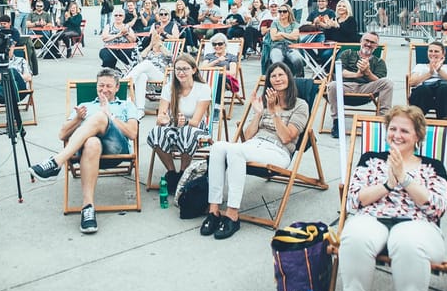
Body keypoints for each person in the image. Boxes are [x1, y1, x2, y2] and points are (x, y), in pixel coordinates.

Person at [337, 105, 447, 291]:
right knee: (354, 237)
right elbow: (353, 200)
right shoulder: (370, 159)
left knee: (406, 241)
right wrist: (388, 184)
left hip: (417, 225)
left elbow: (437, 207)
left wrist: (405, 179)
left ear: (418, 136)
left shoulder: (433, 166)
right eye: (393, 129)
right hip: (372, 219)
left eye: (405, 131)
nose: (397, 135)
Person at [203, 62, 309, 241]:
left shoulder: (300, 105)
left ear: (289, 78)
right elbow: (247, 136)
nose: (277, 79)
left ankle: (232, 214)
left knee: (235, 151)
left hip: (278, 151)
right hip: (255, 144)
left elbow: (286, 138)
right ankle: (213, 211)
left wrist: (274, 112)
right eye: (273, 76)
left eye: (281, 75)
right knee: (218, 147)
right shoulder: (265, 103)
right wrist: (259, 113)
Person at [29, 68, 142, 234]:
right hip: (88, 153)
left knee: (100, 117)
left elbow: (132, 133)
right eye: (101, 85)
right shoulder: (85, 106)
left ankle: (57, 161)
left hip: (116, 149)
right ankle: (88, 207)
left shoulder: (127, 105)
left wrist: (109, 115)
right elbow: (62, 135)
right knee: (91, 143)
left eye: (109, 86)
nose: (104, 89)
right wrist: (77, 119)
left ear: (117, 87)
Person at [146, 53, 211, 183]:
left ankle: (183, 172)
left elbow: (195, 121)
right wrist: (164, 120)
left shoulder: (203, 89)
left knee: (187, 132)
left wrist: (185, 122)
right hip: (174, 127)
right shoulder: (169, 88)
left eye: (185, 69)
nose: (181, 72)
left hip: (196, 129)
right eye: (178, 69)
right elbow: (160, 117)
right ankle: (172, 173)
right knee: (156, 133)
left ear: (194, 70)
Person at [326, 31, 393, 138]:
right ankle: (337, 122)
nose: (369, 44)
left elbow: (379, 80)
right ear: (361, 41)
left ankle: (382, 120)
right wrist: (356, 74)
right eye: (367, 40)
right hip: (345, 86)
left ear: (376, 46)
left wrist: (368, 72)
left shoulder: (379, 62)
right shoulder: (348, 53)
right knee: (333, 85)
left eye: (372, 42)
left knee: (388, 83)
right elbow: (339, 71)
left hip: (366, 88)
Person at [125, 27, 173, 111]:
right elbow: (140, 58)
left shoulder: (165, 52)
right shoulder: (149, 52)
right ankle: (140, 109)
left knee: (147, 63)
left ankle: (125, 81)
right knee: (142, 76)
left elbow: (170, 57)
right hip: (149, 76)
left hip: (162, 76)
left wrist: (160, 44)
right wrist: (151, 44)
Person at [407, 41, 447, 119]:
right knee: (423, 89)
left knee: (445, 88)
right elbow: (411, 82)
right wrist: (430, 73)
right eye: (430, 51)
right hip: (425, 91)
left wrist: (439, 70)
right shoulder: (420, 66)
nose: (433, 54)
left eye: (436, 51)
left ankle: (446, 118)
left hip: (444, 91)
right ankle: (416, 118)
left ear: (443, 54)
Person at [263, 2, 305, 77]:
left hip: (291, 47)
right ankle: (279, 79)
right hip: (277, 46)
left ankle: (300, 79)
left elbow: (295, 37)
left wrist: (281, 34)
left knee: (298, 59)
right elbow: (274, 37)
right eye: (280, 11)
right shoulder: (275, 23)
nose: (282, 13)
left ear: (289, 13)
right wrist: (289, 35)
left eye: (284, 11)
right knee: (277, 63)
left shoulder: (294, 24)